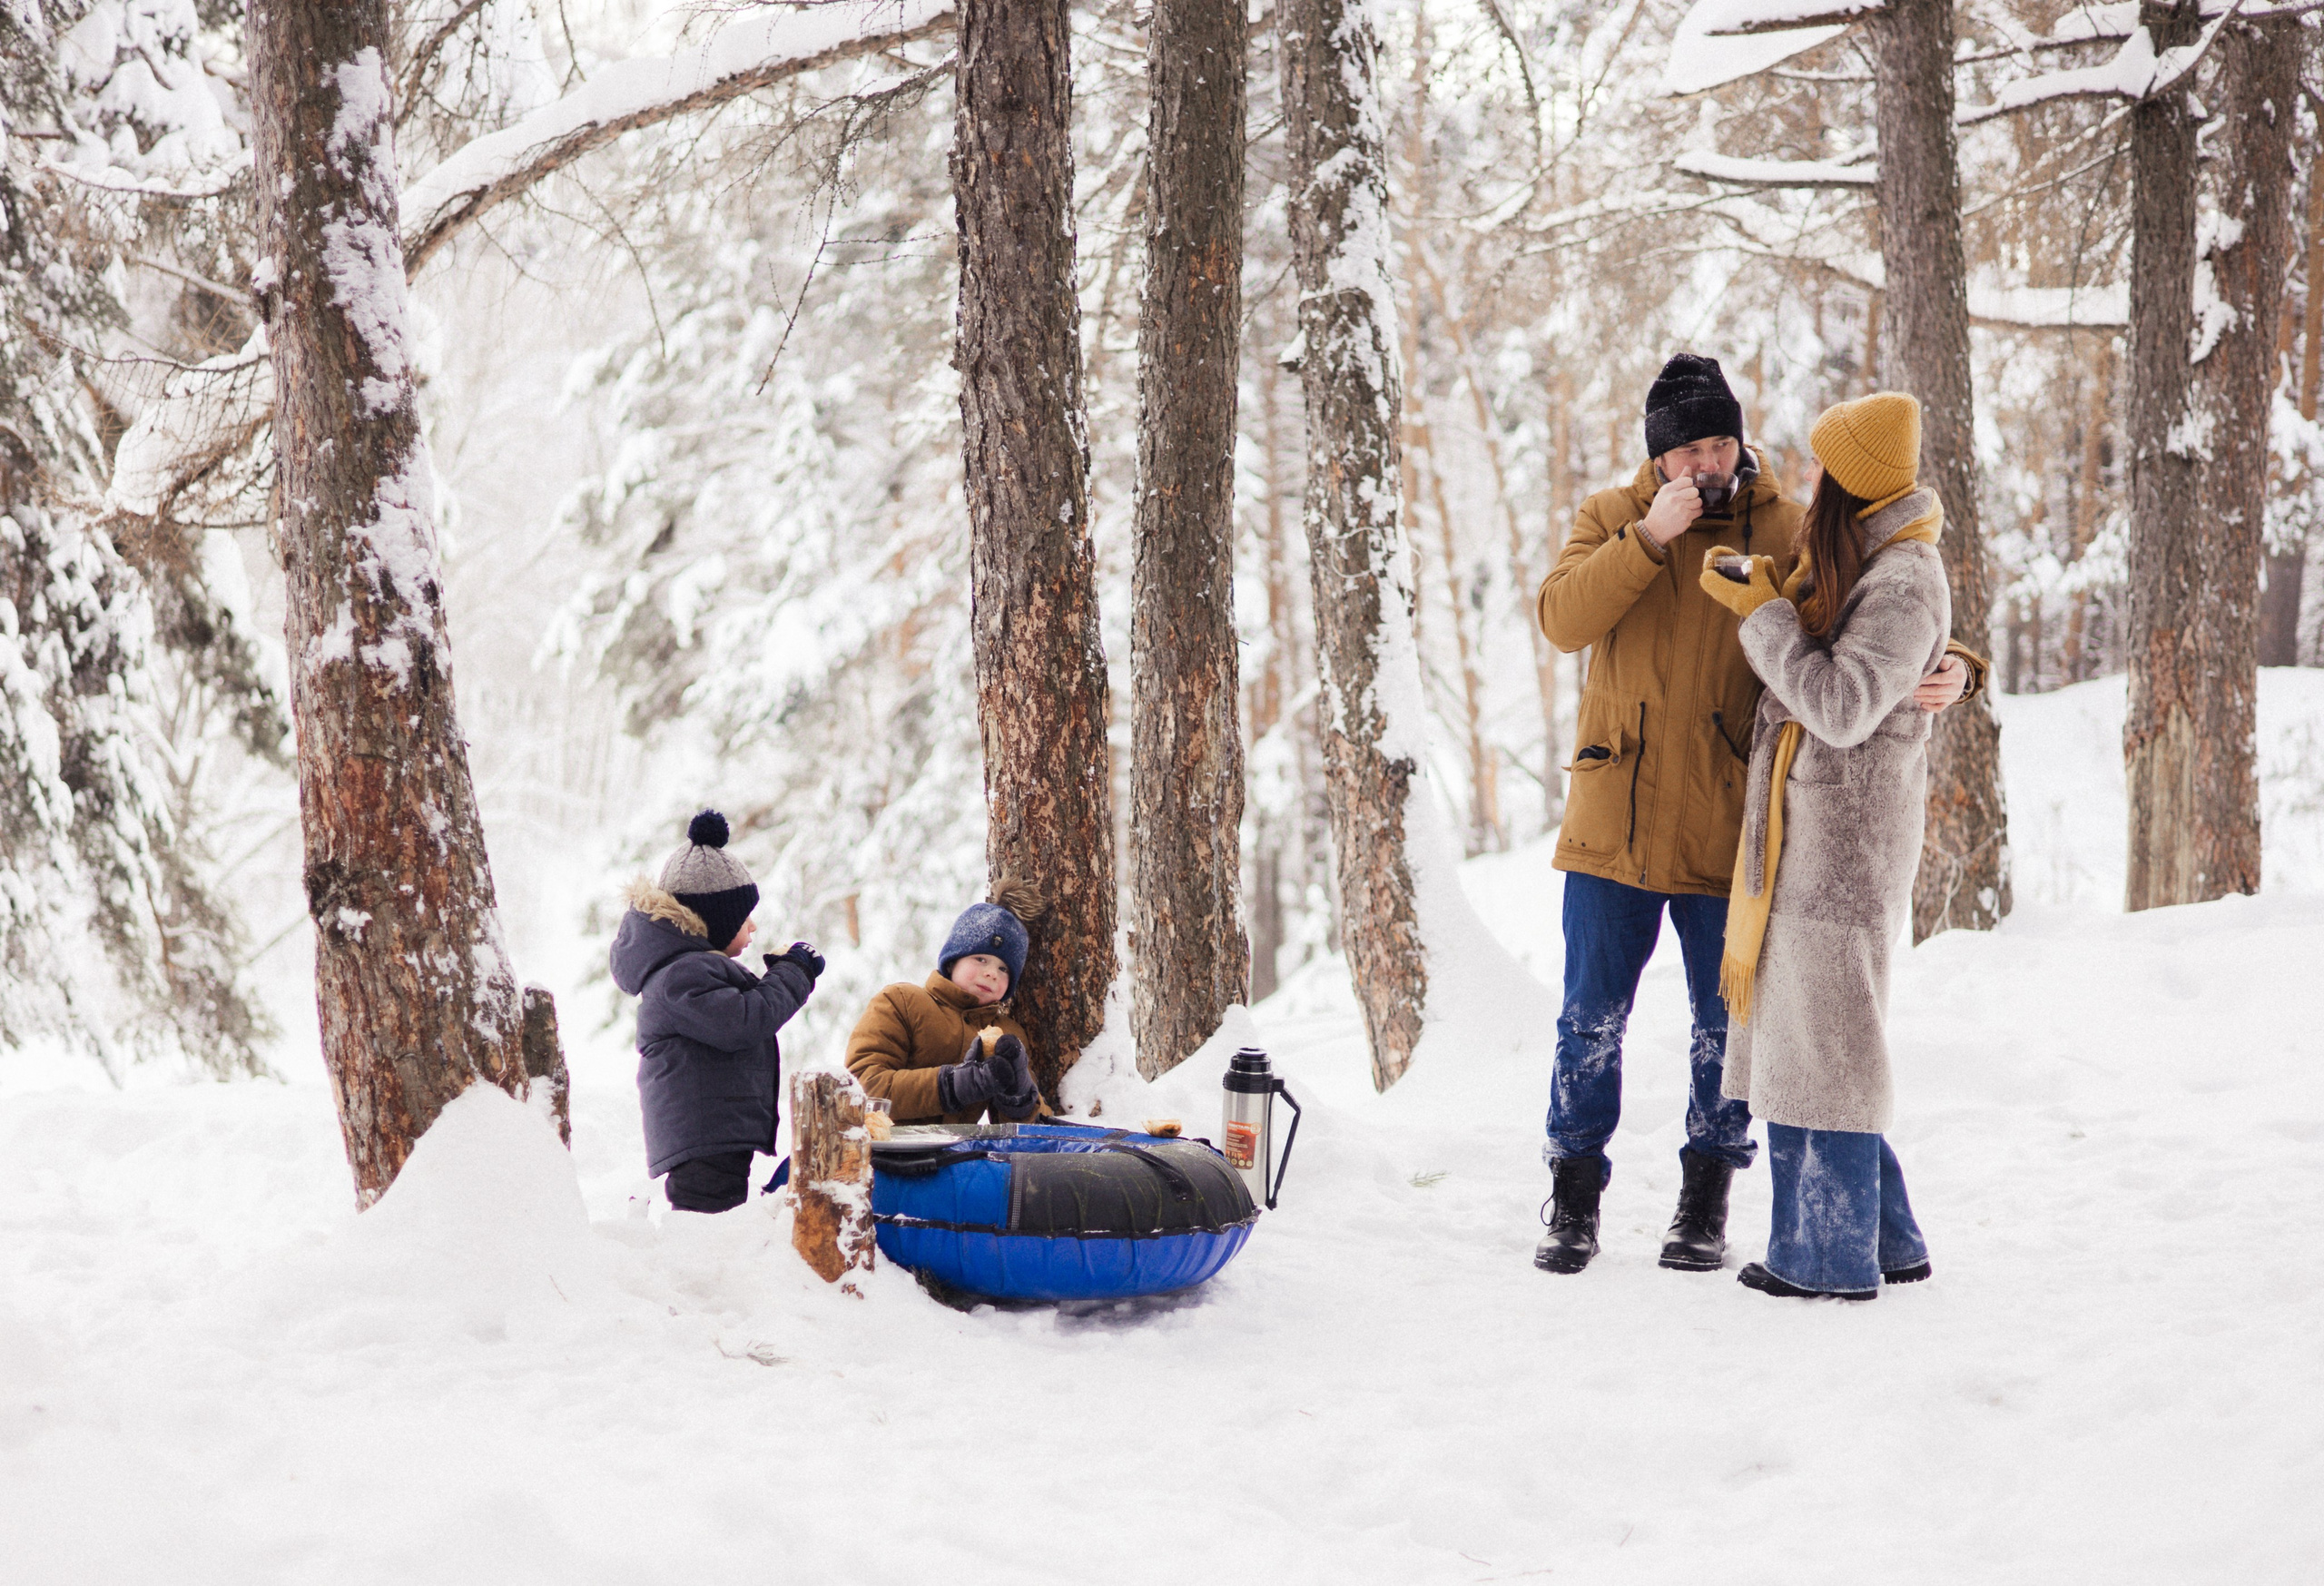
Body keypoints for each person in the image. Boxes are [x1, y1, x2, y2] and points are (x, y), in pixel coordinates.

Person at [1531, 353, 1982, 1276]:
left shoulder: (1787, 524)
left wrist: (1961, 663)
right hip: (1611, 821)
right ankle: (1572, 1198)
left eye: (1718, 440)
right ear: (1656, 460)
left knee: (1723, 1026)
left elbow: (1873, 614)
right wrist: (1645, 542)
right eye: (1686, 448)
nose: (1705, 460)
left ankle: (1705, 1200)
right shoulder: (1612, 518)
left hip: (1730, 822)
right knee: (1588, 1019)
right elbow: (1561, 620)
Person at [1699, 389, 1946, 1299]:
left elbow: (1841, 705)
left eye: (1819, 466)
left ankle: (1824, 1258)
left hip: (1845, 845)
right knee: (1818, 1038)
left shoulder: (1905, 577)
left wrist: (1761, 619)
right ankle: (1890, 1238)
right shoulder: (1869, 562)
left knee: (1827, 1051)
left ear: (1851, 482)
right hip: (1819, 837)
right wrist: (1770, 592)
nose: (1805, 479)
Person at [609, 810, 825, 1213]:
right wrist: (795, 972)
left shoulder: (686, 969)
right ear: (714, 922)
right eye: (744, 919)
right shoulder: (681, 974)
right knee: (705, 1224)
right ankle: (692, 1273)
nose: (753, 928)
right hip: (703, 1135)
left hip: (712, 1130)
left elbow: (738, 1013)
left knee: (716, 1220)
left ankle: (700, 1268)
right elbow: (744, 1021)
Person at [845, 881, 1046, 1125]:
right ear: (953, 960)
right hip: (891, 1156)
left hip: (959, 1158)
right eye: (980, 959)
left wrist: (1020, 1099)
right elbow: (861, 1087)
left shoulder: (1008, 1034)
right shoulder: (901, 1002)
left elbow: (1025, 1132)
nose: (992, 973)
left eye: (1003, 968)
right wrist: (950, 1085)